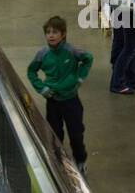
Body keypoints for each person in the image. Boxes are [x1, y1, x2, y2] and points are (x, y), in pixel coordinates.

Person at [27, 15, 93, 176]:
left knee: (76, 133)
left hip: (71, 101)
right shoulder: (42, 54)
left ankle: (80, 160)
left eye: (55, 32)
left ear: (63, 34)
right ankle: (58, 161)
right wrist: (42, 88)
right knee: (55, 134)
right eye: (48, 32)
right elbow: (31, 71)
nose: (51, 35)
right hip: (53, 102)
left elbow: (88, 58)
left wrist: (78, 78)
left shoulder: (71, 51)